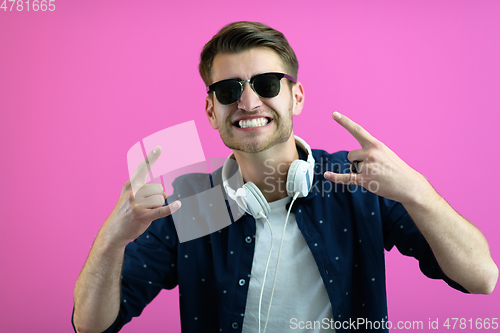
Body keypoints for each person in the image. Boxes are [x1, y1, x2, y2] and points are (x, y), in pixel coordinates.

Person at [72, 21, 498, 333]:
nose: (248, 101)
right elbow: (91, 326)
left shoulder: (354, 181)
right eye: (228, 90)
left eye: (267, 83)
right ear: (211, 111)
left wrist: (419, 193)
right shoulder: (193, 203)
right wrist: (112, 239)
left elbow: (481, 279)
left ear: (296, 96)